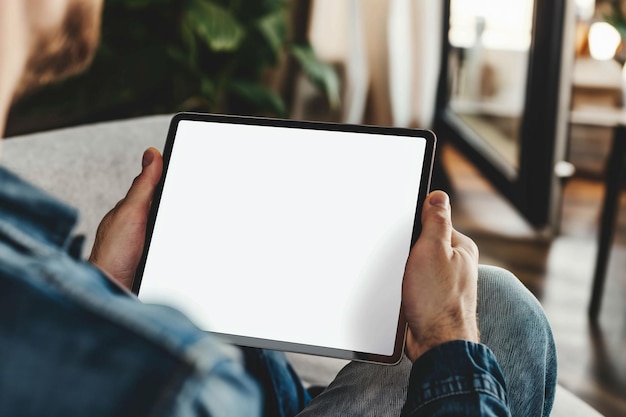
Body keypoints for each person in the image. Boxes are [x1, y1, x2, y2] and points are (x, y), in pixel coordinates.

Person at [0, 1, 557, 416]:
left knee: (501, 299)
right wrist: (446, 335)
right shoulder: (177, 380)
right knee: (501, 322)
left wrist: (105, 292)